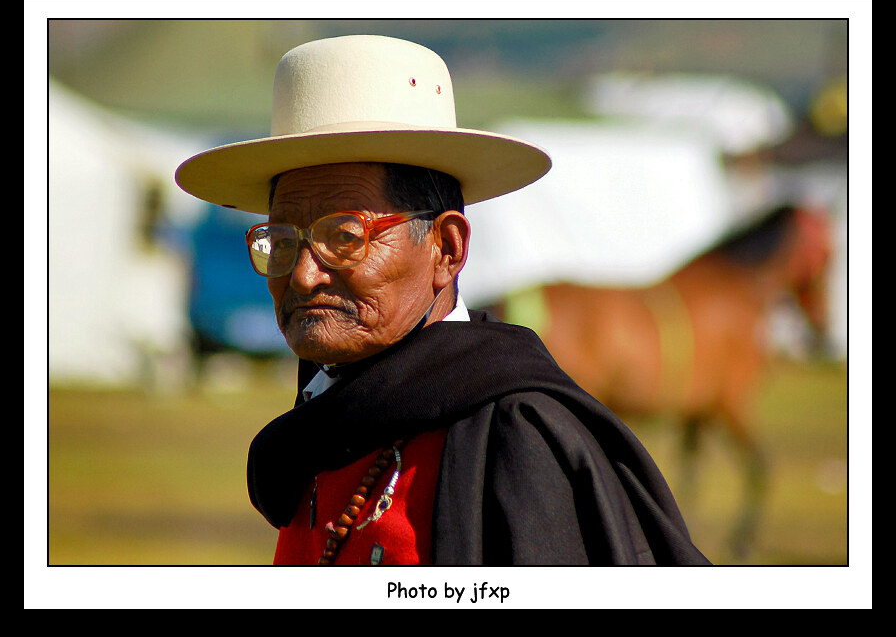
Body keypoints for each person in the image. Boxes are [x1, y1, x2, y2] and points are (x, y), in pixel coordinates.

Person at [176, 34, 710, 565]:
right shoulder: (323, 427)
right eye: (283, 240)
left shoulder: (514, 438)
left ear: (446, 249)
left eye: (345, 237)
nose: (304, 275)